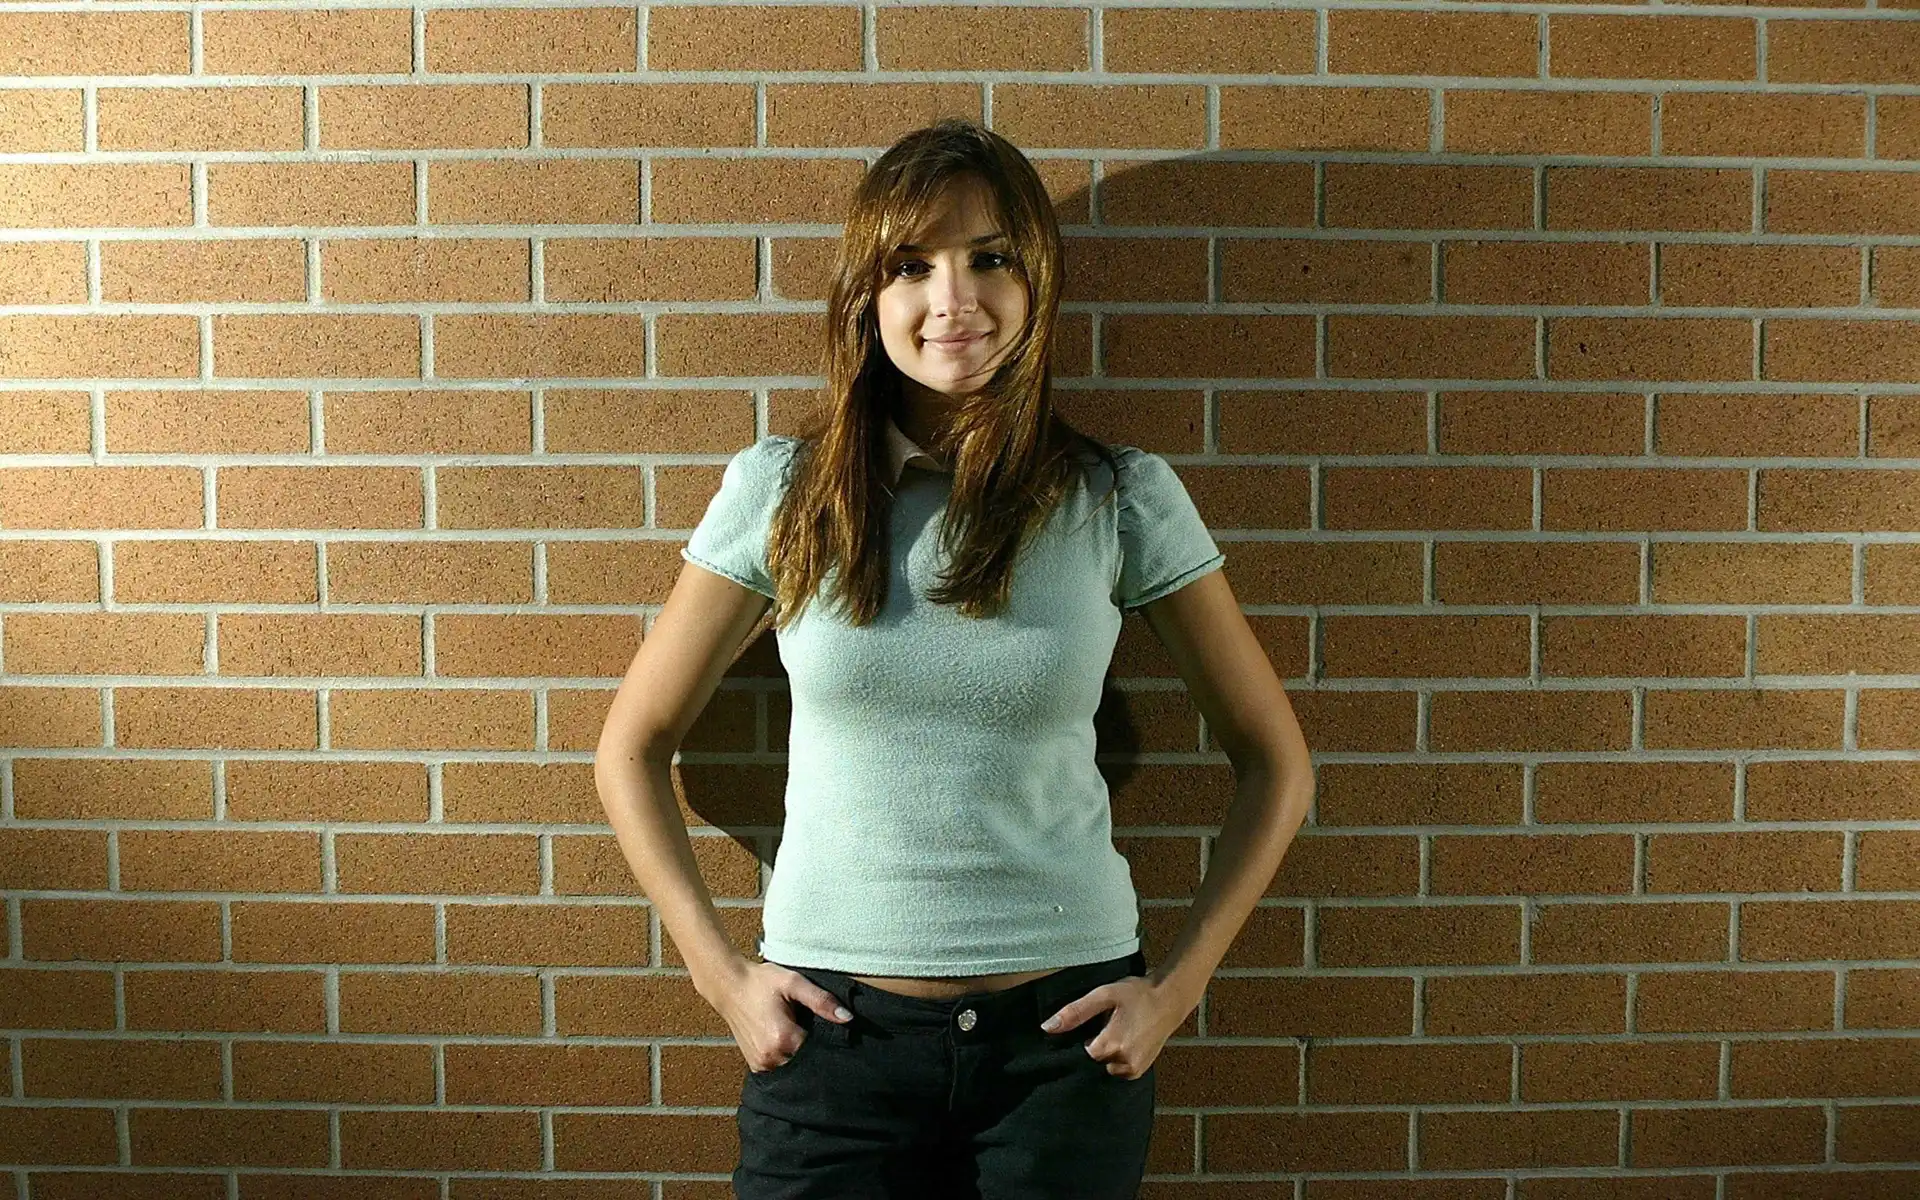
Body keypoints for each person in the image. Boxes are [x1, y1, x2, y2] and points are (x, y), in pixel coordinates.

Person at [593, 118, 1313, 1199]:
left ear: (1036, 284)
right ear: (867, 294)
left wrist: (1174, 991)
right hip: (832, 1048)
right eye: (913, 266)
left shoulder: (1116, 498)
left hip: (1061, 1053)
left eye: (990, 259)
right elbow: (631, 748)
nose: (953, 299)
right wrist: (722, 978)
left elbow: (1276, 762)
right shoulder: (785, 492)